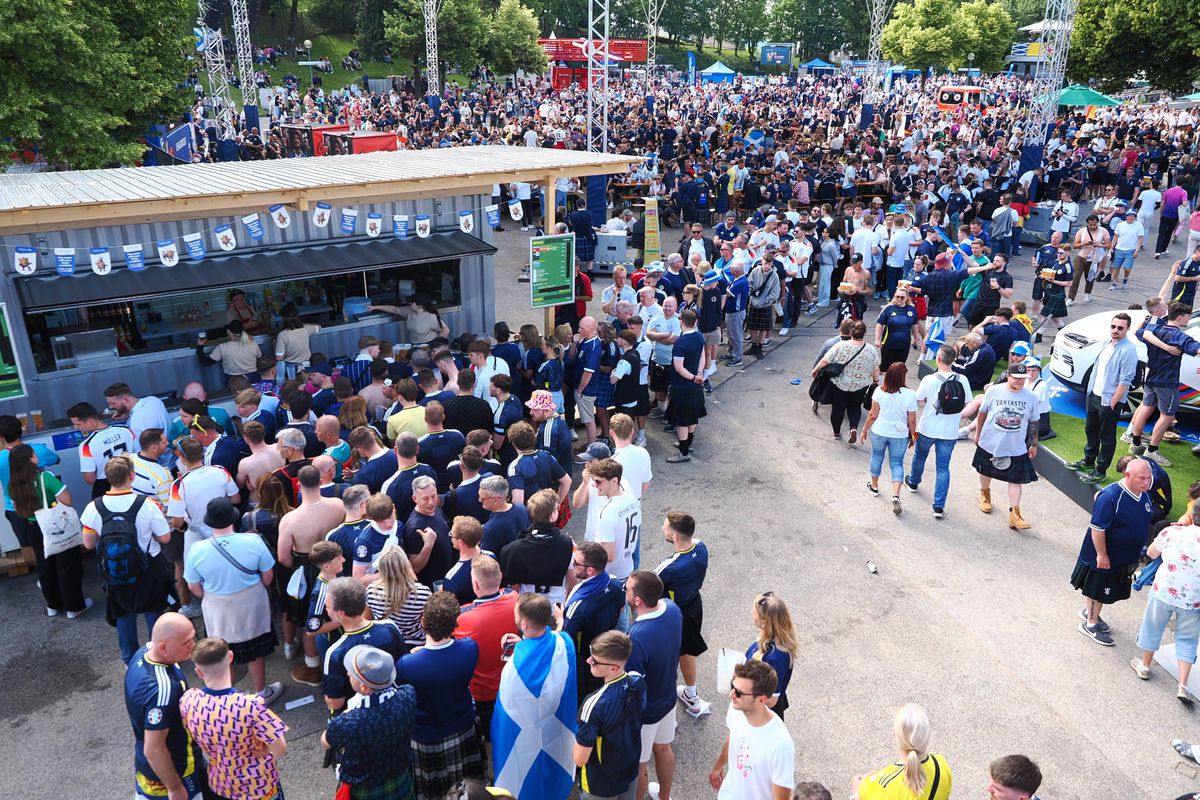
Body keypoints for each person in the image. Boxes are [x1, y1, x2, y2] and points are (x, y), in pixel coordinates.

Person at [184, 497, 282, 705]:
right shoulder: (253, 541)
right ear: (233, 518)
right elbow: (268, 577)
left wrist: (212, 595)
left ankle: (229, 697)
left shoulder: (197, 550)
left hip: (217, 607)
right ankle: (261, 692)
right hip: (252, 601)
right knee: (256, 649)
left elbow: (193, 587)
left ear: (209, 522)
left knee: (222, 652)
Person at [81, 456, 173, 664]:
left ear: (108, 478)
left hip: (115, 570)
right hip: (150, 566)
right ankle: (158, 656)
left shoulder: (93, 507)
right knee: (153, 612)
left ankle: (130, 661)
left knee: (123, 613)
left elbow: (88, 544)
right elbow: (165, 537)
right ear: (131, 477)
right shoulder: (147, 505)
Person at [395, 591, 484, 799]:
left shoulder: (407, 664)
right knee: (469, 787)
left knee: (431, 793)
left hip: (427, 737)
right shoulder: (470, 648)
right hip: (463, 725)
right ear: (455, 623)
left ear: (423, 621)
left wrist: (417, 655)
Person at [492, 593, 578, 800]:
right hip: (556, 732)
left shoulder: (513, 668)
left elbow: (504, 713)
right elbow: (557, 635)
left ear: (523, 622)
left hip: (525, 740)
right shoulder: (565, 643)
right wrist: (559, 621)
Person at [180, 637, 288, 800]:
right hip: (259, 785)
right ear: (230, 657)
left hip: (221, 784)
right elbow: (280, 749)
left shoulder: (189, 700)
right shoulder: (250, 706)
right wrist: (264, 749)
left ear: (199, 672)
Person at [124, 613, 209, 800]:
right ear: (163, 647)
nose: (193, 645)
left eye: (193, 637)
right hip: (177, 771)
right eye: (186, 642)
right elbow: (153, 748)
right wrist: (175, 788)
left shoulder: (143, 652)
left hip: (147, 770)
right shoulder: (163, 689)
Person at [1072, 458, 1153, 647]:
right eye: (1142, 478)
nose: (1147, 483)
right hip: (1104, 557)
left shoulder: (1144, 494)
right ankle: (1090, 624)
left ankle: (1090, 613)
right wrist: (1102, 554)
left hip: (1123, 559)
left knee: (1106, 591)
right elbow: (1098, 529)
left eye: (1149, 478)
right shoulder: (1111, 497)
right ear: (1127, 475)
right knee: (1097, 590)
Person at [321, 645, 418, 800]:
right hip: (400, 777)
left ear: (364, 687)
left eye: (352, 674)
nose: (347, 673)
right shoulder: (408, 695)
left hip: (365, 790)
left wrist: (345, 714)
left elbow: (326, 742)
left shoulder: (349, 721)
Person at [278, 465, 347, 682]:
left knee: (311, 620)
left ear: (299, 485)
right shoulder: (337, 505)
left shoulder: (290, 519)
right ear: (321, 481)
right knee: (340, 613)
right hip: (338, 564)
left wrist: (297, 569)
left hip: (306, 569)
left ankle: (313, 669)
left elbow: (283, 557)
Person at [7, 443, 85, 618]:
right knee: (67, 566)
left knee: (44, 567)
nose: (36, 455)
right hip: (54, 527)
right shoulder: (45, 477)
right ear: (30, 460)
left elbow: (19, 510)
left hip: (33, 527)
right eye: (33, 453)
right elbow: (67, 500)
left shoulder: (12, 485)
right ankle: (73, 608)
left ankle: (53, 606)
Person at [1131, 507, 1200, 702]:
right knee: (1187, 640)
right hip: (1193, 600)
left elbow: (1152, 554)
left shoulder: (1172, 532)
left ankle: (1145, 666)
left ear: (1193, 515)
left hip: (1164, 591)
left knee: (1152, 627)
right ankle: (1183, 685)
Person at [625, 570, 683, 800]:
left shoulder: (636, 636)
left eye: (627, 589)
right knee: (664, 747)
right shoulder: (671, 608)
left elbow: (633, 685)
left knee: (639, 765)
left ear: (637, 600)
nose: (625, 591)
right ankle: (665, 797)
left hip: (646, 712)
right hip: (668, 697)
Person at [1123, 302, 1200, 466]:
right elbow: (1197, 349)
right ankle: (1152, 451)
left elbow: (1137, 331)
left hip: (1151, 378)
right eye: (1187, 316)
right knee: (1167, 415)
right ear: (1180, 318)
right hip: (1167, 383)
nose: (1188, 319)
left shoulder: (1155, 330)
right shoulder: (1180, 337)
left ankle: (1135, 442)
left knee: (1146, 407)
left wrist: (1147, 319)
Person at [455, 556, 519, 749]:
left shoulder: (462, 616)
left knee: (488, 736)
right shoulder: (515, 599)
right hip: (511, 683)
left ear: (475, 584)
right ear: (500, 576)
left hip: (482, 693)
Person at [708, 659, 795, 800]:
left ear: (761, 700)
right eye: (732, 686)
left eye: (738, 692)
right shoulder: (738, 708)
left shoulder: (780, 745)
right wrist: (718, 766)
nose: (731, 695)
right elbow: (734, 738)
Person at [575, 631, 647, 800]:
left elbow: (579, 758)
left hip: (600, 785)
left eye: (594, 661)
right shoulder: (637, 681)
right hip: (629, 770)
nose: (588, 661)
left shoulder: (593, 704)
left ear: (613, 668)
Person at [1064, 313, 1136, 484]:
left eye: (1120, 328)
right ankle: (1088, 462)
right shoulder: (1106, 343)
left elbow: (1125, 380)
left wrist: (1113, 401)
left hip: (1109, 402)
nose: (1115, 330)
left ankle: (1101, 470)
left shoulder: (1128, 350)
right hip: (1094, 395)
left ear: (1127, 329)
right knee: (1091, 430)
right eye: (1113, 326)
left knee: (1107, 437)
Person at [322, 577, 408, 712]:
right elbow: (404, 665)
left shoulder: (335, 653)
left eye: (327, 606)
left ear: (341, 613)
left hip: (359, 715)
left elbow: (336, 703)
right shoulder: (389, 627)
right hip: (396, 703)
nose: (326, 610)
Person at [654, 511, 709, 718]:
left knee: (671, 655)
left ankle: (684, 698)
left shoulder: (668, 568)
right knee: (688, 651)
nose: (662, 529)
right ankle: (690, 693)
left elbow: (652, 593)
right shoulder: (702, 548)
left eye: (666, 527)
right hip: (695, 605)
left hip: (675, 615)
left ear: (675, 536)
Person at [906, 345, 971, 519]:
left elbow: (918, 399)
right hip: (949, 432)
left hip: (927, 428)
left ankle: (913, 482)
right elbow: (965, 403)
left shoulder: (930, 379)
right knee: (943, 468)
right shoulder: (962, 379)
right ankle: (938, 506)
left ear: (938, 359)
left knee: (919, 456)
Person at [973, 362, 1040, 531]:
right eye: (1016, 378)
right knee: (984, 470)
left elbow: (1033, 422)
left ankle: (1014, 514)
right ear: (1008, 376)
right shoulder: (994, 391)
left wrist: (1033, 444)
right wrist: (978, 433)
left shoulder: (1031, 397)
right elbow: (982, 413)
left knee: (1016, 479)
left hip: (1015, 446)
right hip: (990, 441)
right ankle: (984, 494)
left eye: (1022, 379)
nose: (1019, 382)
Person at [851, 704, 952, 800]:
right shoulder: (941, 763)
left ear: (895, 735)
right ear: (927, 735)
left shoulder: (883, 786)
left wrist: (856, 794)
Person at [497, 488, 574, 602]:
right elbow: (572, 578)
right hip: (556, 605)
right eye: (557, 508)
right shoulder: (567, 544)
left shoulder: (513, 549)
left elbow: (514, 587)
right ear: (552, 515)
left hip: (526, 607)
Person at [863, 363, 917, 515]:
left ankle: (874, 487)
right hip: (899, 435)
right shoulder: (910, 394)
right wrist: (914, 436)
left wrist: (864, 429)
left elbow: (873, 415)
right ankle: (896, 494)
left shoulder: (879, 391)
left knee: (876, 457)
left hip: (879, 431)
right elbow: (912, 420)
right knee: (896, 463)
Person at [812, 321, 880, 443]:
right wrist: (875, 381)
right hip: (860, 385)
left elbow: (825, 359)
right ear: (864, 334)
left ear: (851, 332)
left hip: (840, 384)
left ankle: (836, 433)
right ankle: (853, 428)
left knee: (838, 407)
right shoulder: (871, 350)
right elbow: (876, 369)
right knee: (855, 407)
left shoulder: (841, 345)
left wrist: (815, 369)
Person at [746, 592, 799, 720]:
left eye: (754, 613)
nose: (751, 613)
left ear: (765, 622)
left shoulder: (775, 658)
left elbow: (771, 700)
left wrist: (744, 691)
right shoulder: (769, 638)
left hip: (761, 716)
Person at [69, 401, 136, 498]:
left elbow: (90, 479)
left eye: (78, 424)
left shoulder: (86, 445)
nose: (75, 428)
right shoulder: (126, 430)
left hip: (106, 486)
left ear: (90, 421)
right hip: (131, 480)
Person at [590, 459, 642, 579]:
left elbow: (608, 556)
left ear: (614, 481)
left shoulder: (607, 512)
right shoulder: (633, 500)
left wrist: (581, 552)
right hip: (628, 569)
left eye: (598, 481)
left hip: (610, 577)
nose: (594, 485)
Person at [368, 293, 450, 344]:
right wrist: (375, 307)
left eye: (411, 302)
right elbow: (394, 309)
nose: (409, 303)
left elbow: (445, 330)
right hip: (413, 344)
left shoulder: (431, 317)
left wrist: (435, 344)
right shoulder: (409, 310)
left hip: (427, 345)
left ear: (419, 305)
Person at [197, 321, 262, 384]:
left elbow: (205, 362)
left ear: (228, 332)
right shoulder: (253, 344)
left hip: (234, 382)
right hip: (254, 379)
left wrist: (199, 346)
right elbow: (261, 360)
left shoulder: (222, 348)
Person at [874, 288, 923, 372]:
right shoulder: (888, 308)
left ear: (907, 297)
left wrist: (916, 337)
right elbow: (880, 323)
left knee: (899, 368)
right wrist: (877, 339)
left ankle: (896, 384)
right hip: (888, 344)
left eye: (902, 297)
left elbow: (914, 324)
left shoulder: (911, 309)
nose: (899, 299)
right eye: (897, 297)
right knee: (885, 367)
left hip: (904, 345)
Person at [104, 382, 170, 439]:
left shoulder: (136, 422)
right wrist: (128, 416)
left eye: (113, 403)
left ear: (126, 400)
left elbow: (144, 449)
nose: (110, 407)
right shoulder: (153, 400)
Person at [1070, 215, 1111, 303]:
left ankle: (1088, 294)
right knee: (1075, 278)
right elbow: (1075, 245)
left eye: (1094, 224)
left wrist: (1099, 245)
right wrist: (1083, 243)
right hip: (1081, 257)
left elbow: (1108, 245)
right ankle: (1070, 298)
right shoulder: (1082, 231)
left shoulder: (1104, 231)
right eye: (1090, 225)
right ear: (1087, 224)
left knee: (1090, 278)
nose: (1092, 226)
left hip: (1094, 259)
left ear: (1098, 223)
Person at [1109, 209, 1145, 290]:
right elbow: (1115, 237)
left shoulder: (1139, 226)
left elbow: (1140, 238)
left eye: (1132, 216)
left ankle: (1125, 279)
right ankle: (1115, 283)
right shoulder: (1120, 225)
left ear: (1135, 217)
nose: (1130, 217)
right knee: (1116, 267)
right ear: (1126, 217)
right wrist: (1111, 248)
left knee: (1127, 268)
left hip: (1131, 250)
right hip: (1119, 249)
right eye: (1129, 215)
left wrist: (1137, 250)